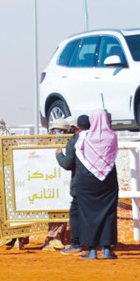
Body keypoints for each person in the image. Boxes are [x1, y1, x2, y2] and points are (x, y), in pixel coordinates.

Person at [74, 109, 119, 259]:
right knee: (109, 213)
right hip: (108, 177)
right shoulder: (112, 136)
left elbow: (78, 152)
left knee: (87, 214)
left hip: (87, 178)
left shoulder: (83, 136)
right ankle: (107, 249)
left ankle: (91, 250)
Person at [0, 117, 28, 249]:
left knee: (9, 209)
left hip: (9, 179)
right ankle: (7, 235)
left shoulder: (8, 141)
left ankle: (14, 237)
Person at [56, 115, 90, 256]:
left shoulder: (74, 141)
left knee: (75, 214)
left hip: (79, 183)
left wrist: (59, 155)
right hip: (99, 183)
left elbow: (67, 164)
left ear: (76, 128)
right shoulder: (98, 139)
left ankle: (76, 244)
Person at [43, 118, 73, 251]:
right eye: (56, 130)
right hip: (49, 183)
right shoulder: (43, 144)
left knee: (63, 209)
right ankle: (53, 237)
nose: (58, 133)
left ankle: (55, 238)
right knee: (55, 210)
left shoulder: (71, 145)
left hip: (64, 183)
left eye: (62, 130)